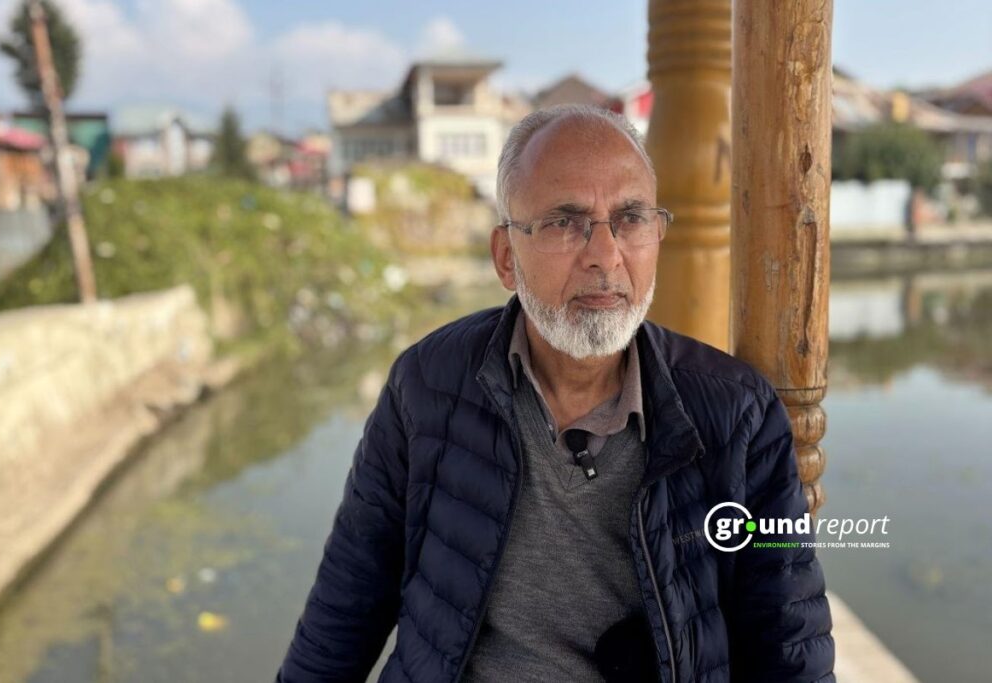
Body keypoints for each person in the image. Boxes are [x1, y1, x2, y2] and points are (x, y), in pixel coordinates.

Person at [276, 104, 835, 683]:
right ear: (504, 258)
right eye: (565, 222)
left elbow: (789, 643)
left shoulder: (737, 413)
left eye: (631, 218)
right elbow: (346, 604)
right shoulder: (427, 386)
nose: (605, 255)